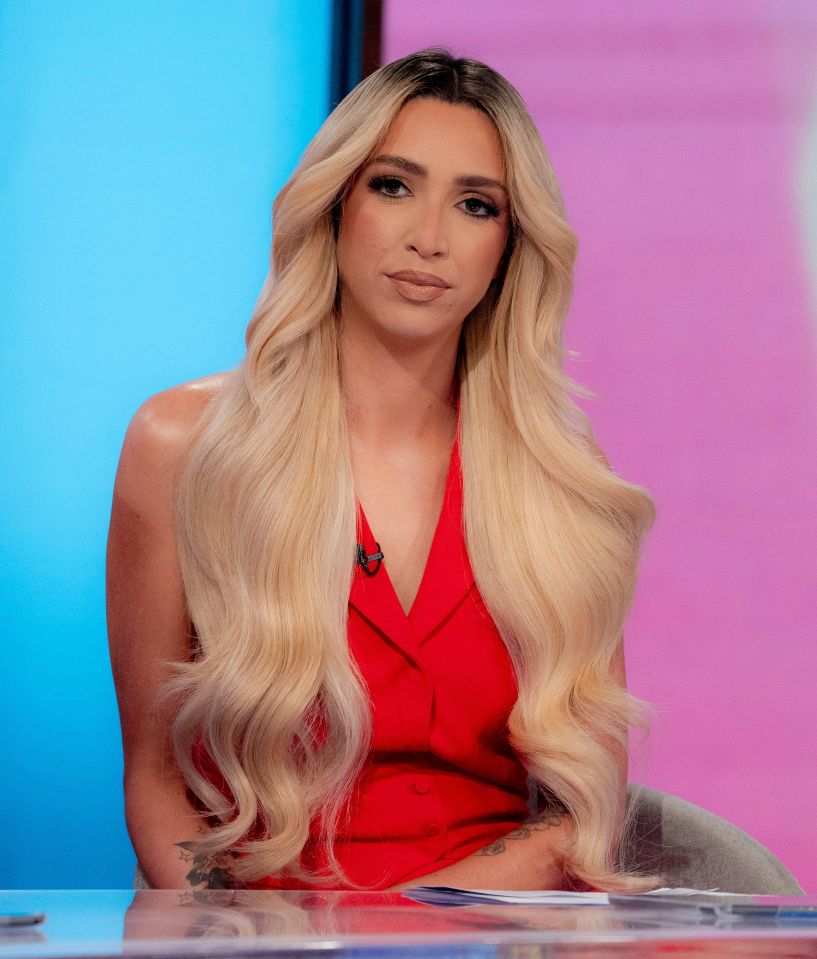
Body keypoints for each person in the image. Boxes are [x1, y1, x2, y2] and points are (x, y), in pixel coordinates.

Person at [107, 48, 656, 893]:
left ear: (509, 247)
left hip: (495, 928)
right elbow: (155, 779)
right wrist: (226, 934)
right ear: (335, 204)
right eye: (393, 186)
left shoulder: (561, 476)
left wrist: (424, 930)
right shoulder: (182, 446)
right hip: (258, 937)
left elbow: (582, 805)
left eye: (475, 205)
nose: (427, 239)